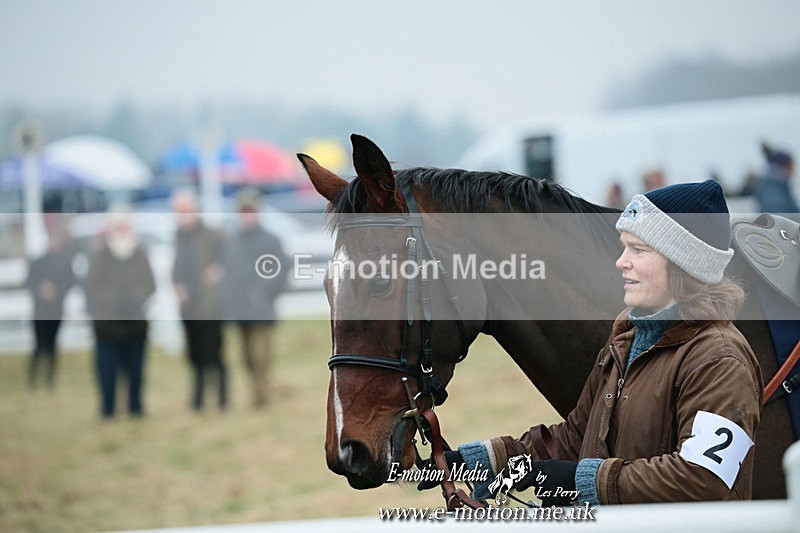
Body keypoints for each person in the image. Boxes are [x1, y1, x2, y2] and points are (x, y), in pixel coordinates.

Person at [421, 179, 762, 505]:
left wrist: (581, 480)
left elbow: (702, 479)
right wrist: (477, 460)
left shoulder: (719, 360)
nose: (621, 262)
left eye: (638, 250)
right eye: (624, 247)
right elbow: (574, 439)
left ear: (683, 264)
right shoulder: (625, 342)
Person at [85, 209, 155, 418]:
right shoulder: (101, 256)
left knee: (135, 371)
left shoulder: (140, 254)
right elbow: (93, 287)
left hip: (134, 324)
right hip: (108, 325)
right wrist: (115, 299)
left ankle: (135, 406)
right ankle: (108, 408)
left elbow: (150, 284)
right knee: (107, 371)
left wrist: (133, 298)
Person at [222, 189, 289, 408]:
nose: (247, 216)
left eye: (250, 211)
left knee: (260, 354)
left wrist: (265, 290)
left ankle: (261, 395)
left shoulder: (271, 240)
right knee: (245, 357)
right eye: (243, 212)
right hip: (239, 309)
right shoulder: (232, 241)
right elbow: (229, 271)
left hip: (261, 308)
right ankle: (256, 387)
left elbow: (282, 269)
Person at [171, 189, 227, 411]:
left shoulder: (212, 234)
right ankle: (198, 399)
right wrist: (176, 286)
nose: (183, 215)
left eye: (186, 210)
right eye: (179, 211)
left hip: (210, 305)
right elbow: (175, 268)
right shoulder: (177, 236)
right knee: (194, 355)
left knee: (215, 353)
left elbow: (227, 260)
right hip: (188, 306)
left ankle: (222, 399)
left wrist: (218, 271)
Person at [24, 216, 76, 389]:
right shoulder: (38, 262)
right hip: (40, 310)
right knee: (39, 344)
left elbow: (70, 282)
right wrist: (41, 289)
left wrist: (56, 291)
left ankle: (49, 380)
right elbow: (29, 282)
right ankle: (32, 378)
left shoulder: (64, 262)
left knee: (53, 345)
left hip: (56, 310)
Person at [753, 142, 798, 217]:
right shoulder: (771, 191)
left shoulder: (781, 186)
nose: (794, 170)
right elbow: (778, 220)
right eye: (791, 166)